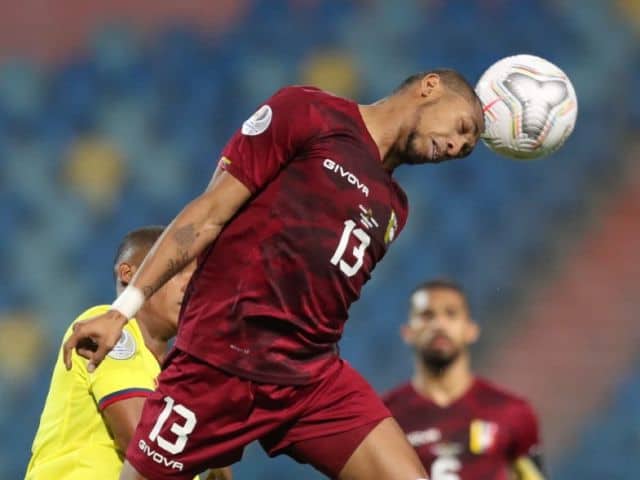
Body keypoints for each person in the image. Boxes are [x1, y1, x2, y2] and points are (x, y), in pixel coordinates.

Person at [63, 69, 485, 480]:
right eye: (461, 127)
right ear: (430, 86)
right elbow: (208, 214)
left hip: (309, 377)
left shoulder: (394, 208)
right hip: (219, 363)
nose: (454, 145)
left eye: (464, 148)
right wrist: (122, 311)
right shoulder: (308, 112)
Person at [26, 226, 231, 480]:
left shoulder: (175, 376)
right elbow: (145, 450)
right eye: (177, 271)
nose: (189, 286)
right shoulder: (105, 334)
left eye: (197, 277)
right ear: (128, 273)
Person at [383, 280, 545, 480]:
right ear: (408, 333)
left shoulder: (512, 411)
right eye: (427, 315)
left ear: (471, 330)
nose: (439, 324)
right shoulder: (384, 419)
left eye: (451, 314)